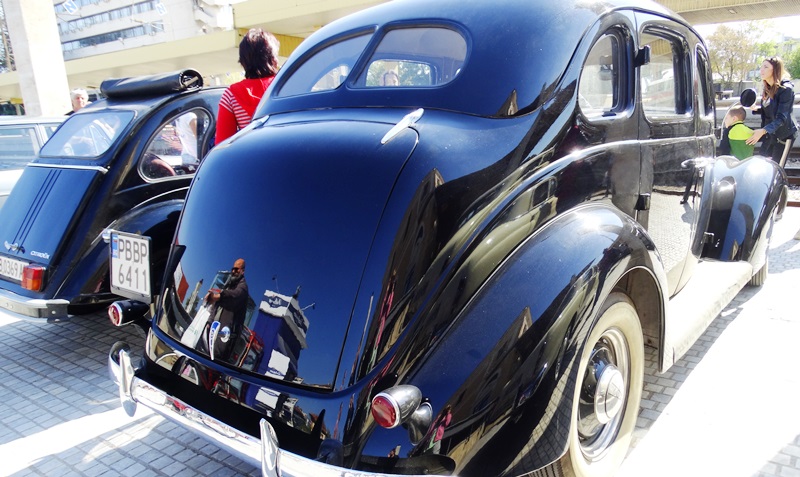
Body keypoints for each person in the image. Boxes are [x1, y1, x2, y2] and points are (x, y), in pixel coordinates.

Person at [215, 29, 280, 143]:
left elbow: (223, 142)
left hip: (253, 152)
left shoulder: (231, 95)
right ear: (273, 59)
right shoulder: (284, 86)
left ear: (243, 61)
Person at [745, 56, 798, 167]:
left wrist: (763, 131)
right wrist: (757, 109)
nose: (761, 70)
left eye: (766, 67)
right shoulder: (768, 87)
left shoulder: (786, 89)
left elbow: (782, 117)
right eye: (761, 67)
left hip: (784, 135)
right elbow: (771, 111)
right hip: (771, 134)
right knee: (764, 165)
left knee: (776, 168)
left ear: (775, 69)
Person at [205, 258, 249, 361]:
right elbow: (215, 306)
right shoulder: (228, 286)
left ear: (242, 271)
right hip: (212, 331)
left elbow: (235, 295)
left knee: (215, 360)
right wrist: (209, 322)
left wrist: (218, 295)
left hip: (225, 336)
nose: (233, 271)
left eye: (237, 269)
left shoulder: (243, 287)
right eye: (233, 269)